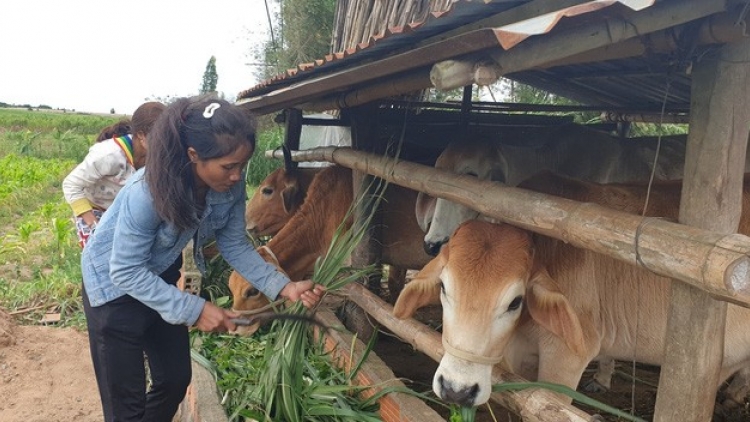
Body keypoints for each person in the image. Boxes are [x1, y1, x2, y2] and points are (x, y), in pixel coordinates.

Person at [81, 95, 325, 422]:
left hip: (157, 273)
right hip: (112, 288)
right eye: (228, 166)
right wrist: (195, 310)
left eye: (243, 164)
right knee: (126, 407)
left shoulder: (228, 185)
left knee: (174, 379)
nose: (238, 176)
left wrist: (284, 288)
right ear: (194, 155)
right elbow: (125, 270)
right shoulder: (148, 191)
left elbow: (235, 243)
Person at [62, 101, 166, 247]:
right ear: (142, 136)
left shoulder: (157, 158)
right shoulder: (109, 155)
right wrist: (93, 225)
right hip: (94, 208)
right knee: (98, 255)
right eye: (163, 137)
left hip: (122, 211)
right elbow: (71, 184)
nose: (167, 143)